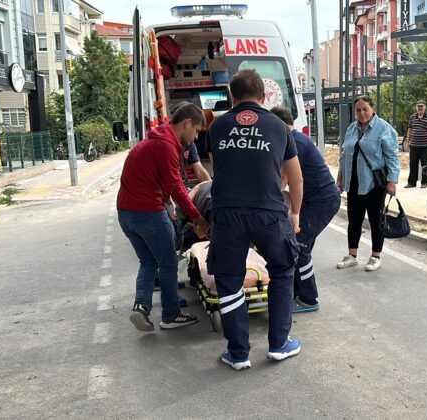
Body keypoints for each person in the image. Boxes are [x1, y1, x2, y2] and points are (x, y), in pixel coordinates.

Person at [207, 69, 304, 370]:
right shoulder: (279, 126)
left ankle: (238, 353)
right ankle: (279, 344)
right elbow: (297, 180)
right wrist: (295, 213)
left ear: (232, 97)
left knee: (229, 279)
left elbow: (216, 171)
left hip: (226, 213)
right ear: (263, 97)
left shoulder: (216, 127)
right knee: (283, 269)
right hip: (269, 211)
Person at [117, 102, 209, 332]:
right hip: (147, 213)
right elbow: (177, 186)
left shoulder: (153, 141)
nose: (196, 137)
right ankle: (170, 314)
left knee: (148, 261)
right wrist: (198, 218)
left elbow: (157, 181)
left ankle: (141, 307)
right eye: (196, 130)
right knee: (167, 262)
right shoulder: (167, 146)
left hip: (126, 214)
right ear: (187, 123)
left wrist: (169, 203)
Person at [271, 106, 341, 314]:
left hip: (323, 201)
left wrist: (293, 212)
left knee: (299, 246)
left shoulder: (296, 142)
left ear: (280, 125)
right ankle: (294, 293)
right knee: (297, 246)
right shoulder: (292, 140)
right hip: (316, 200)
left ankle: (309, 299)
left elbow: (288, 178)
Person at [336, 96, 400, 272]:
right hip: (353, 182)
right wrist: (340, 179)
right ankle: (352, 255)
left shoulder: (384, 129)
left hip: (374, 184)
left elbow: (392, 158)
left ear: (372, 108)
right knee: (354, 220)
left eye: (365, 109)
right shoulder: (351, 128)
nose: (362, 113)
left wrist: (392, 181)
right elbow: (344, 156)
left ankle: (375, 256)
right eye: (358, 110)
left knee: (375, 221)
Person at [404, 100, 427, 188]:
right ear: (416, 107)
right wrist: (408, 142)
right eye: (418, 106)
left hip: (426, 146)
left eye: (421, 106)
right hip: (414, 146)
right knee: (413, 165)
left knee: (425, 165)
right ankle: (411, 183)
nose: (420, 108)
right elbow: (410, 130)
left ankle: (424, 182)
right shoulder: (412, 117)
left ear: (425, 107)